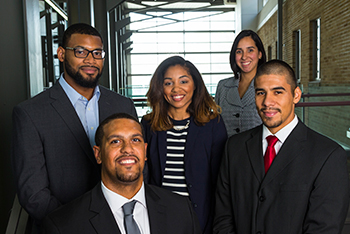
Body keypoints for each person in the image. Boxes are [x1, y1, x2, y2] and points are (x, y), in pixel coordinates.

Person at [11, 23, 137, 226]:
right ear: (61, 54)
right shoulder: (30, 113)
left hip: (121, 223)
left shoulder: (122, 105)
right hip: (63, 226)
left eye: (97, 53)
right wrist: (77, 226)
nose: (90, 60)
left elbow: (138, 167)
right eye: (81, 51)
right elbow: (33, 194)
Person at [213, 59, 349, 234]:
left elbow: (324, 228)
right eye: (261, 93)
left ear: (296, 95)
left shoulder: (328, 156)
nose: (267, 102)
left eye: (278, 92)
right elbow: (223, 217)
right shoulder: (234, 147)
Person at [42, 113, 201, 234]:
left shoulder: (181, 210)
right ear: (98, 154)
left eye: (135, 140)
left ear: (145, 151)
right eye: (115, 141)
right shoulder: (63, 225)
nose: (127, 149)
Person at [141, 56, 227, 234]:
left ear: (195, 85)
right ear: (160, 88)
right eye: (168, 83)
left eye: (183, 81)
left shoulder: (213, 124)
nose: (176, 89)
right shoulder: (149, 124)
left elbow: (219, 180)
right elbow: (146, 176)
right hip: (160, 217)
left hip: (200, 218)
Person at [215, 30, 266, 137]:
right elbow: (216, 124)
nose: (244, 56)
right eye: (239, 51)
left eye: (250, 50)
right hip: (225, 151)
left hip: (257, 151)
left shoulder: (268, 86)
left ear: (260, 54)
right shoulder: (222, 86)